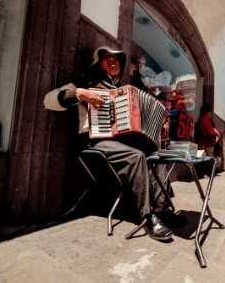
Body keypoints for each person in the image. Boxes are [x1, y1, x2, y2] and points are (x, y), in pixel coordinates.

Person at [44, 46, 175, 241]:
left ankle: (162, 208)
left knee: (155, 154)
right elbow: (49, 100)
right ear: (98, 62)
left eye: (117, 59)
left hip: (121, 145)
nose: (113, 61)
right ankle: (147, 218)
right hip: (94, 142)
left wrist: (158, 130)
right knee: (136, 156)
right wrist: (80, 93)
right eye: (107, 58)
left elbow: (140, 125)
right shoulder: (85, 82)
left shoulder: (123, 91)